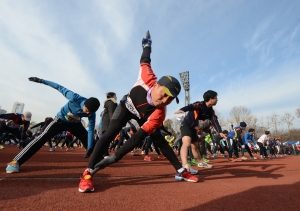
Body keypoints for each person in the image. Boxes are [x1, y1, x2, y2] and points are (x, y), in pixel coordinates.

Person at [78, 31, 198, 193]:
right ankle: (87, 173)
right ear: (155, 85)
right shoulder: (146, 75)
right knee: (109, 134)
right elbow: (145, 59)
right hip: (126, 107)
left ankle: (180, 170)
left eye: (169, 100)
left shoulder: (159, 113)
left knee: (160, 140)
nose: (164, 101)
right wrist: (147, 45)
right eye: (164, 95)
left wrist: (116, 156)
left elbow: (137, 137)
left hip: (144, 117)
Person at [5, 78, 100, 173]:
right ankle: (15, 162)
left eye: (90, 112)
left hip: (75, 124)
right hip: (60, 121)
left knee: (90, 141)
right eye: (87, 110)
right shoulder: (74, 97)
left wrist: (90, 146)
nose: (87, 113)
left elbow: (91, 130)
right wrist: (41, 81)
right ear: (85, 104)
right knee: (41, 138)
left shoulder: (91, 113)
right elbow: (58, 87)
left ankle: (101, 159)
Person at [174, 91, 226, 171]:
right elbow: (191, 106)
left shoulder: (211, 111)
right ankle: (185, 165)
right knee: (187, 143)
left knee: (195, 146)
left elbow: (215, 121)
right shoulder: (200, 104)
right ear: (211, 99)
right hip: (186, 125)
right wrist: (182, 110)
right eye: (216, 98)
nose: (217, 100)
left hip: (193, 128)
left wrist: (220, 131)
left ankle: (200, 162)